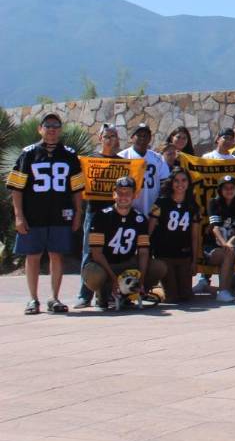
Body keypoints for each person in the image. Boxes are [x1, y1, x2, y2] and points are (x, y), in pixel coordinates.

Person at [7, 112, 85, 314]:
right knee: (32, 255)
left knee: (56, 254)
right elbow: (16, 187)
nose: (51, 129)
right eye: (47, 125)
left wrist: (78, 213)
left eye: (56, 125)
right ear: (40, 129)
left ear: (60, 130)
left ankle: (55, 297)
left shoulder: (69, 155)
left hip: (60, 213)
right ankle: (33, 299)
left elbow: (77, 188)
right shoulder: (28, 154)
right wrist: (18, 215)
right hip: (34, 214)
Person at [82, 177, 166, 310]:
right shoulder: (101, 216)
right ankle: (103, 295)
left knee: (158, 267)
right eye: (120, 192)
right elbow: (96, 253)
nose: (123, 196)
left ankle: (131, 293)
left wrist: (142, 279)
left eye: (128, 193)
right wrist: (114, 278)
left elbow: (143, 251)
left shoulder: (139, 219)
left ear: (135, 195)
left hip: (127, 263)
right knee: (92, 272)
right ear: (114, 194)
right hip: (106, 264)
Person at [75, 123, 122, 308]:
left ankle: (107, 294)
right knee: (89, 253)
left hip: (114, 214)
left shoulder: (122, 162)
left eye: (113, 136)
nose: (110, 140)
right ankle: (84, 295)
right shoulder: (90, 160)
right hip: (94, 213)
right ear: (100, 138)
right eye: (107, 136)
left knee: (109, 253)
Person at [148, 167, 201, 303]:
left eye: (184, 180)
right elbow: (149, 230)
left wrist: (194, 261)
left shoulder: (193, 205)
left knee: (186, 296)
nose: (180, 184)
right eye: (176, 180)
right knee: (172, 298)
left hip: (184, 255)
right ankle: (152, 290)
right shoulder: (160, 203)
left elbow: (195, 236)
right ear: (171, 182)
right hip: (164, 255)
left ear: (189, 183)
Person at [204, 175, 235, 302]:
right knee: (229, 252)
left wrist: (229, 243)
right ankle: (223, 291)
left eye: (232, 188)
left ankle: (223, 288)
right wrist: (225, 244)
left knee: (231, 251)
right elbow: (215, 228)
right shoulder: (214, 203)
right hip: (212, 248)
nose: (229, 191)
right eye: (226, 188)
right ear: (220, 190)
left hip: (229, 247)